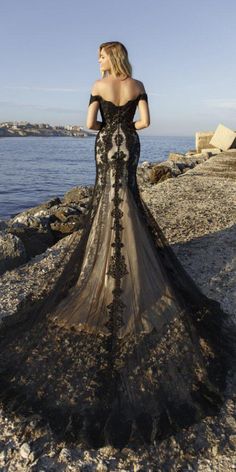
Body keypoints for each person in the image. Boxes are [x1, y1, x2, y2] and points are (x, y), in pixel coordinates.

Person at [0, 41, 235, 451]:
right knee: (127, 200)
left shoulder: (97, 84)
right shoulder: (139, 82)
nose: (97, 61)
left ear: (110, 58)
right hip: (129, 142)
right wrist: (125, 126)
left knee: (105, 200)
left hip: (105, 144)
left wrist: (107, 121)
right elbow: (145, 122)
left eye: (101, 56)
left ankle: (104, 276)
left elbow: (90, 124)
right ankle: (134, 272)